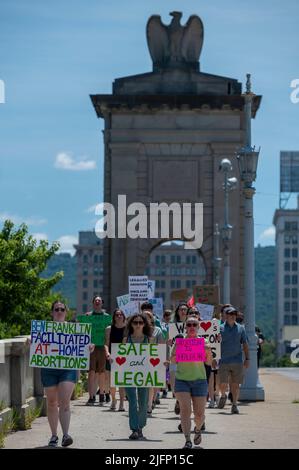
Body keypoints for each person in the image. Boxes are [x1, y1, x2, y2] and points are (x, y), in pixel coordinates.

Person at [40, 301, 94, 448]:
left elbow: (82, 344)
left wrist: (89, 346)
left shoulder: (74, 330)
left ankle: (65, 434)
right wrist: (31, 342)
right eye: (56, 309)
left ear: (66, 312)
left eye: (62, 309)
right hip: (48, 368)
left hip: (67, 368)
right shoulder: (44, 329)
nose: (59, 311)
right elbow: (37, 343)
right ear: (52, 312)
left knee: (64, 402)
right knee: (51, 402)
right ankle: (53, 435)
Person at [169, 316, 212, 449]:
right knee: (185, 410)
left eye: (194, 324)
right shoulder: (179, 342)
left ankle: (198, 430)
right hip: (182, 381)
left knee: (199, 414)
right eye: (189, 325)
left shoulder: (203, 342)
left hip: (199, 381)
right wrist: (176, 352)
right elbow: (173, 361)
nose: (192, 327)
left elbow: (208, 363)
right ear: (185, 327)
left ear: (198, 327)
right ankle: (187, 440)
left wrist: (208, 351)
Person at [121, 313, 153, 440]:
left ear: (144, 324)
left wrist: (163, 363)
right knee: (132, 401)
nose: (138, 325)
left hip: (144, 374)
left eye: (141, 322)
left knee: (143, 402)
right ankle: (134, 429)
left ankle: (141, 426)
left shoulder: (148, 339)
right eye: (135, 322)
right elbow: (121, 356)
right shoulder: (126, 339)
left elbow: (154, 356)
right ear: (131, 324)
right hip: (129, 374)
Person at [218, 307, 250, 414]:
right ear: (226, 315)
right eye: (230, 313)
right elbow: (214, 344)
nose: (232, 315)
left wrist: (247, 358)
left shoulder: (241, 328)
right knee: (222, 383)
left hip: (237, 360)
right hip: (223, 360)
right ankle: (223, 395)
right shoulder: (219, 328)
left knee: (235, 384)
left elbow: (245, 344)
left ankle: (234, 405)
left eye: (234, 313)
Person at [85, 295, 111, 406]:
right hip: (90, 347)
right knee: (91, 372)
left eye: (99, 301)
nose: (97, 302)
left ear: (102, 303)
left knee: (102, 372)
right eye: (95, 300)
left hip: (102, 346)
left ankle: (101, 394)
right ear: (93, 303)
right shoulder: (88, 316)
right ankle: (91, 396)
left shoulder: (107, 317)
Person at [143, 310, 165, 413]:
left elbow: (161, 345)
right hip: (139, 360)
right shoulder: (137, 328)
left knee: (150, 383)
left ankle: (149, 404)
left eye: (148, 316)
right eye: (144, 316)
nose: (146, 318)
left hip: (153, 360)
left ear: (152, 319)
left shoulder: (157, 330)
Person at [104, 309, 126, 411]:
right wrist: (107, 353)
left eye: (121, 314)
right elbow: (106, 343)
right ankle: (113, 399)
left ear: (124, 316)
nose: (119, 316)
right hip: (111, 357)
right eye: (117, 315)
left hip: (124, 357)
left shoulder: (127, 329)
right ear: (114, 317)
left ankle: (121, 403)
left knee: (121, 382)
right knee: (111, 382)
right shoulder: (109, 329)